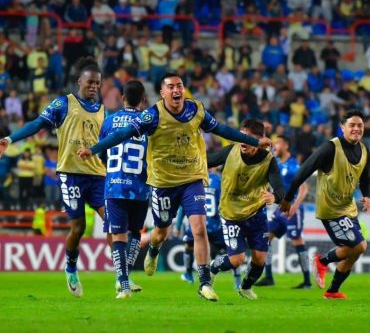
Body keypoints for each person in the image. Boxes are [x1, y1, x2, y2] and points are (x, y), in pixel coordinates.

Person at [77, 72, 272, 301]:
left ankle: (205, 282)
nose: (176, 90)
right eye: (171, 87)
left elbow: (221, 129)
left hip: (192, 178)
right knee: (160, 233)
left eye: (179, 85)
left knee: (198, 228)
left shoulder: (196, 110)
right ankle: (154, 249)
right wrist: (95, 149)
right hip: (163, 183)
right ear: (163, 93)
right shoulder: (152, 116)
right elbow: (123, 133)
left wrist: (255, 141)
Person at [0, 57, 106, 298]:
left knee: (112, 221)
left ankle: (122, 276)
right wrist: (10, 139)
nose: (93, 87)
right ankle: (70, 267)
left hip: (98, 174)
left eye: (97, 84)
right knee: (77, 227)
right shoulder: (63, 104)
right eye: (90, 82)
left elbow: (106, 142)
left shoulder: (102, 110)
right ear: (80, 80)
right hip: (71, 173)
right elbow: (37, 123)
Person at [280, 110, 370, 299]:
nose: (356, 129)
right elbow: (303, 171)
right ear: (342, 127)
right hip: (330, 209)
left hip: (348, 207)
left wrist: (367, 195)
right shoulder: (330, 148)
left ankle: (332, 291)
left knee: (353, 253)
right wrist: (287, 198)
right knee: (360, 246)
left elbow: (365, 177)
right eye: (352, 125)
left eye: (359, 125)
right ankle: (322, 260)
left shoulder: (364, 149)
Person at [207, 119, 285, 299]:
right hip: (231, 214)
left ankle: (245, 287)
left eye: (249, 138)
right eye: (242, 135)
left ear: (259, 141)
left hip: (256, 214)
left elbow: (279, 188)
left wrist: (274, 197)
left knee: (260, 259)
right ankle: (213, 267)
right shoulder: (230, 152)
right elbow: (207, 160)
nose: (243, 140)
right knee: (237, 259)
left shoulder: (268, 161)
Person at [100, 80, 150, 299]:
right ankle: (127, 277)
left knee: (117, 235)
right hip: (140, 187)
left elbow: (102, 153)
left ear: (123, 97)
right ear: (143, 99)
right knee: (135, 233)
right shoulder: (148, 122)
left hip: (115, 187)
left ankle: (123, 283)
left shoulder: (109, 122)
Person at [256, 136, 311, 289]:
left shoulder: (294, 165)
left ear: (286, 146)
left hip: (292, 209)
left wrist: (294, 207)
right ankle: (268, 277)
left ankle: (307, 281)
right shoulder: (276, 163)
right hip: (279, 210)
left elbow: (304, 188)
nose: (275, 145)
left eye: (278, 142)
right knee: (266, 238)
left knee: (297, 241)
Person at [175, 168, 241, 289]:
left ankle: (188, 274)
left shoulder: (195, 180)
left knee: (189, 245)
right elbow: (225, 202)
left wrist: (178, 225)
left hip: (199, 222)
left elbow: (183, 206)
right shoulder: (220, 181)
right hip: (215, 225)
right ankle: (237, 280)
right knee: (232, 250)